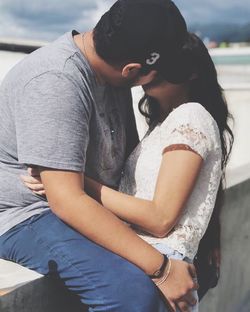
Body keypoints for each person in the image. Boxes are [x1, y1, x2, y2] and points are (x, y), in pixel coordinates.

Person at [0, 1, 198, 311]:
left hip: (77, 206)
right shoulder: (55, 80)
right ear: (131, 69)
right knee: (132, 293)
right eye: (152, 77)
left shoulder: (110, 75)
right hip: (25, 215)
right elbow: (65, 200)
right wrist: (162, 269)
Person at [24, 33, 234, 312]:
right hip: (146, 262)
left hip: (160, 266)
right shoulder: (164, 125)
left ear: (192, 73)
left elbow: (160, 218)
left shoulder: (191, 116)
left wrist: (73, 182)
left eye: (167, 64)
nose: (151, 71)